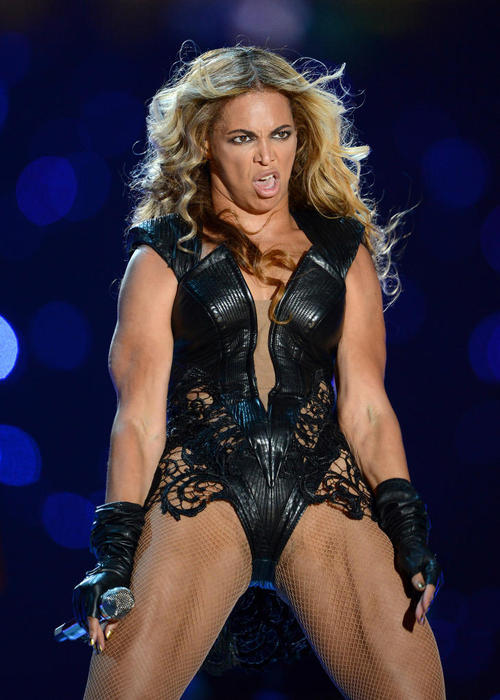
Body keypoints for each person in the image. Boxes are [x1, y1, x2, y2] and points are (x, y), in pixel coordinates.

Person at [71, 45, 446, 699]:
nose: (267, 157)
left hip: (324, 491)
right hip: (202, 491)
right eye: (243, 138)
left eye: (281, 134)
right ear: (206, 144)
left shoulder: (343, 250)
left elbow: (366, 405)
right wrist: (114, 553)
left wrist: (407, 524)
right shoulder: (161, 256)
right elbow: (137, 417)